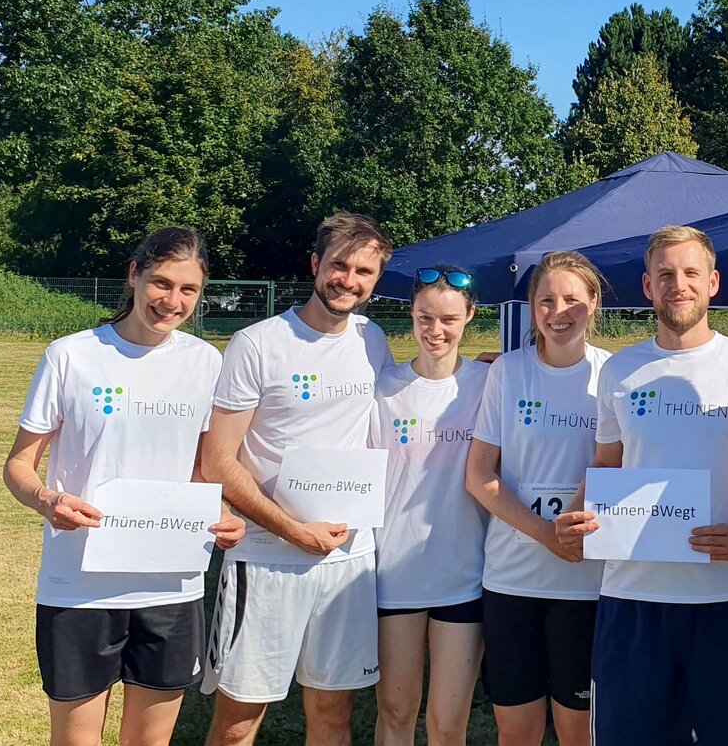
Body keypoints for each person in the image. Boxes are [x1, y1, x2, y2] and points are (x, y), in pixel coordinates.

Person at [2, 227, 246, 746]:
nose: (172, 301)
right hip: (80, 583)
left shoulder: (205, 362)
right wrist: (48, 501)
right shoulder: (70, 356)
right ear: (133, 275)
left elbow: (206, 470)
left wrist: (222, 514)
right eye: (161, 283)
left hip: (172, 584)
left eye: (188, 290)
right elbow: (19, 465)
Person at [556, 225, 728, 746]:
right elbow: (606, 466)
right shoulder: (620, 371)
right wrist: (575, 517)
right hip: (631, 598)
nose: (677, 284)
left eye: (689, 273)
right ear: (646, 286)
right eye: (664, 274)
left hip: (725, 599)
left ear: (713, 283)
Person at [199, 213, 395, 746]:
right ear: (314, 264)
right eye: (338, 265)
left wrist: (487, 369)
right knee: (238, 724)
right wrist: (291, 530)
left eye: (363, 271)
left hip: (348, 560)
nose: (348, 280)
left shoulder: (372, 340)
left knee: (332, 717)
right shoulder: (257, 343)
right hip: (266, 560)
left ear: (375, 280)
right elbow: (218, 462)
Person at [464, 251, 609, 746]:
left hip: (586, 583)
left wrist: (572, 527)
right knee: (517, 731)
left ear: (594, 304)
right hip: (512, 580)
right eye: (546, 300)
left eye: (572, 299)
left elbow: (617, 463)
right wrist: (546, 535)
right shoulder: (508, 372)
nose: (558, 311)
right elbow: (479, 475)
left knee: (578, 731)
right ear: (531, 306)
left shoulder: (612, 375)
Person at [371, 266, 489, 746]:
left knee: (448, 722)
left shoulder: (490, 381)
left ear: (469, 317)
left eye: (448, 319)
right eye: (424, 317)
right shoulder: (382, 388)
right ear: (412, 317)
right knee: (396, 713)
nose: (435, 331)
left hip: (463, 575)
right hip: (394, 572)